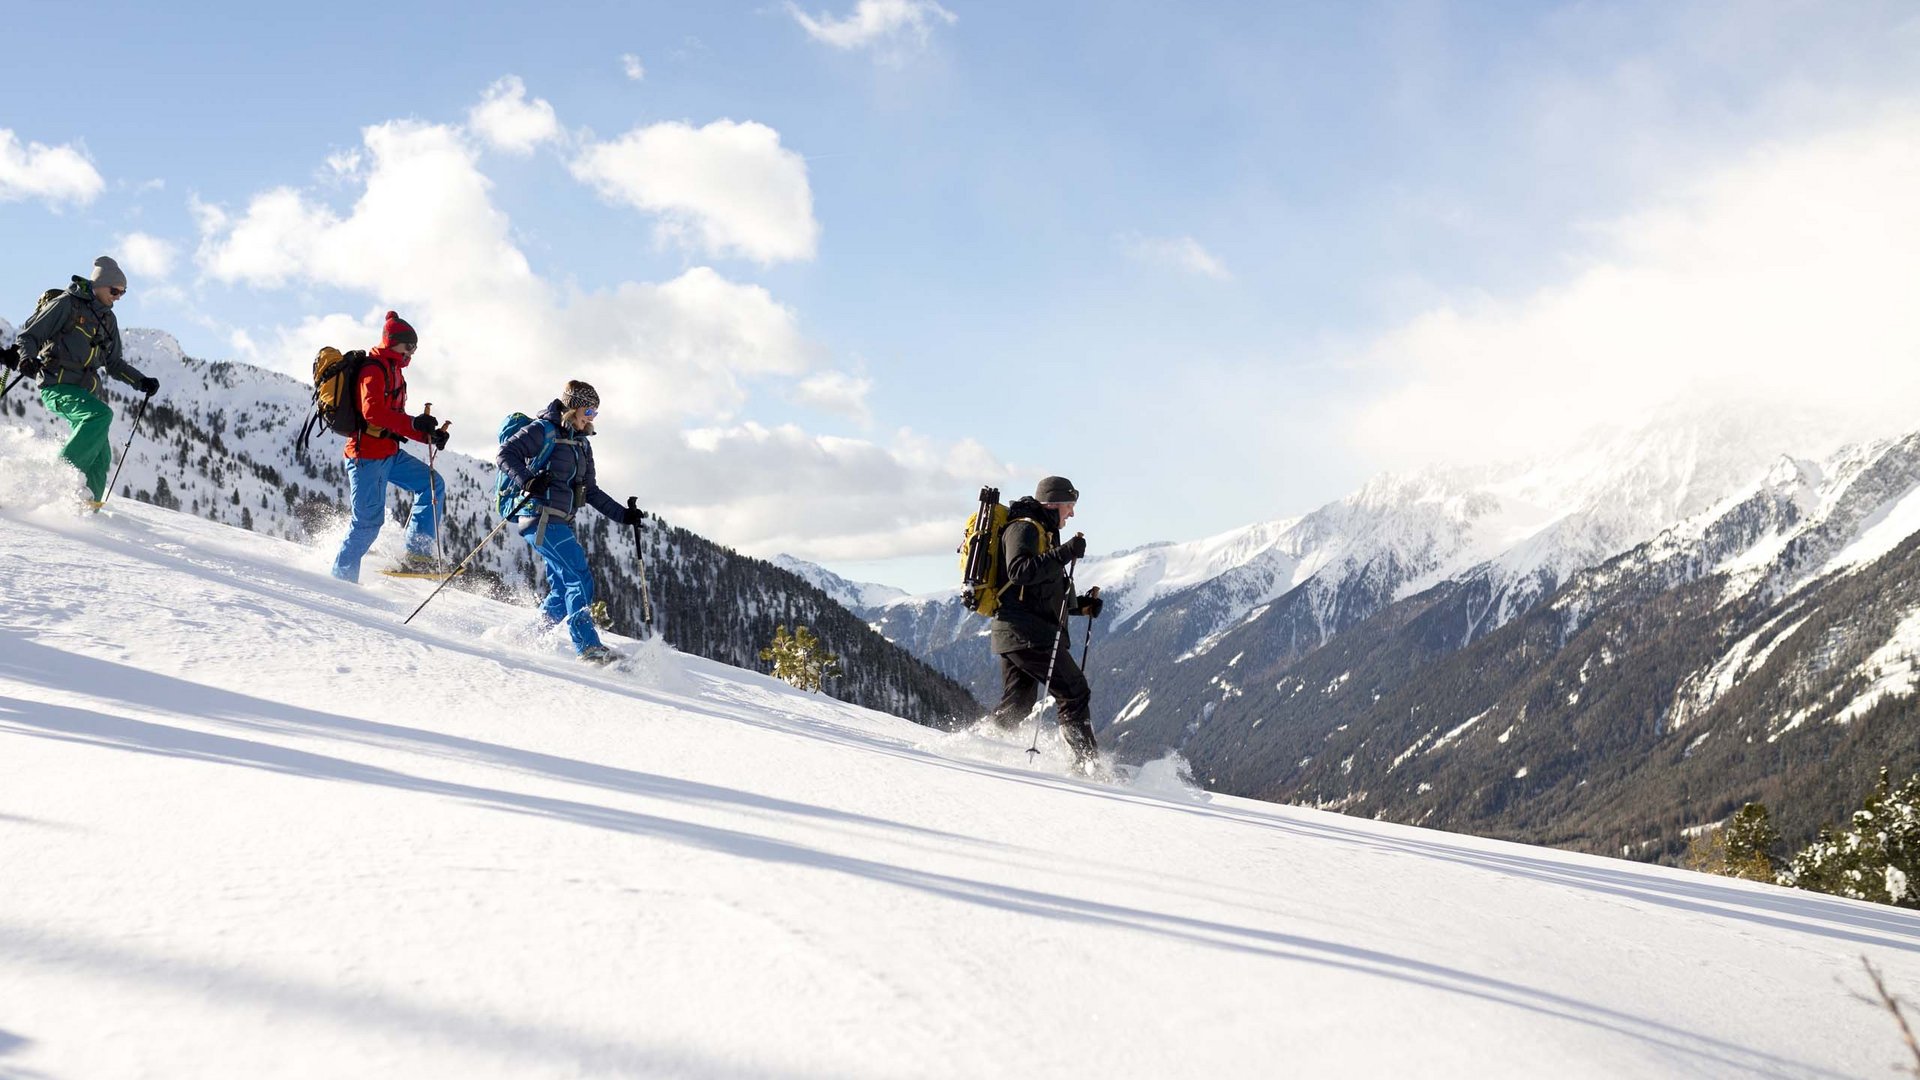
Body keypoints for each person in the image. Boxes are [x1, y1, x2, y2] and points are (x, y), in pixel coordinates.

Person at [496, 380, 644, 664]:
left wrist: (624, 516)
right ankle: (588, 648)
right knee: (579, 576)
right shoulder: (543, 430)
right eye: (588, 411)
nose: (591, 418)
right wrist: (528, 481)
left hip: (558, 521)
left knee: (564, 589)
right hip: (539, 516)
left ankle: (524, 639)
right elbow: (506, 453)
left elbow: (591, 491)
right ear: (572, 406)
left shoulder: (581, 444)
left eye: (595, 413)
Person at [8, 256, 159, 504]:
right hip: (57, 384)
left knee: (101, 455)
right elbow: (30, 336)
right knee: (99, 416)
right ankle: (56, 481)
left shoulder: (109, 320)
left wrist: (141, 381)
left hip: (85, 392)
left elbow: (113, 363)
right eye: (114, 290)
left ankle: (87, 510)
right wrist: (26, 359)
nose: (118, 297)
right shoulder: (67, 304)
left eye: (123, 293)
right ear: (99, 285)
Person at [988, 475, 1104, 768]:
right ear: (1053, 504)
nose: (1072, 513)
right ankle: (1085, 766)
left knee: (1018, 703)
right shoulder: (1023, 527)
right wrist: (1065, 553)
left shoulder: (1042, 532)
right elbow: (1020, 571)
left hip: (1020, 631)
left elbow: (1041, 591)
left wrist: (1081, 607)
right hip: (1027, 632)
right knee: (1074, 691)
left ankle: (982, 745)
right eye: (1069, 506)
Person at [329, 311, 448, 582]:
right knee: (367, 525)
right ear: (393, 342)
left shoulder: (395, 372)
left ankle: (417, 556)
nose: (412, 353)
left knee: (431, 484)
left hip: (389, 452)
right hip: (366, 457)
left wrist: (429, 436)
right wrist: (414, 424)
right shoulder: (374, 369)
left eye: (415, 348)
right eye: (409, 346)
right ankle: (339, 584)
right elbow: (373, 413)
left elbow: (396, 423)